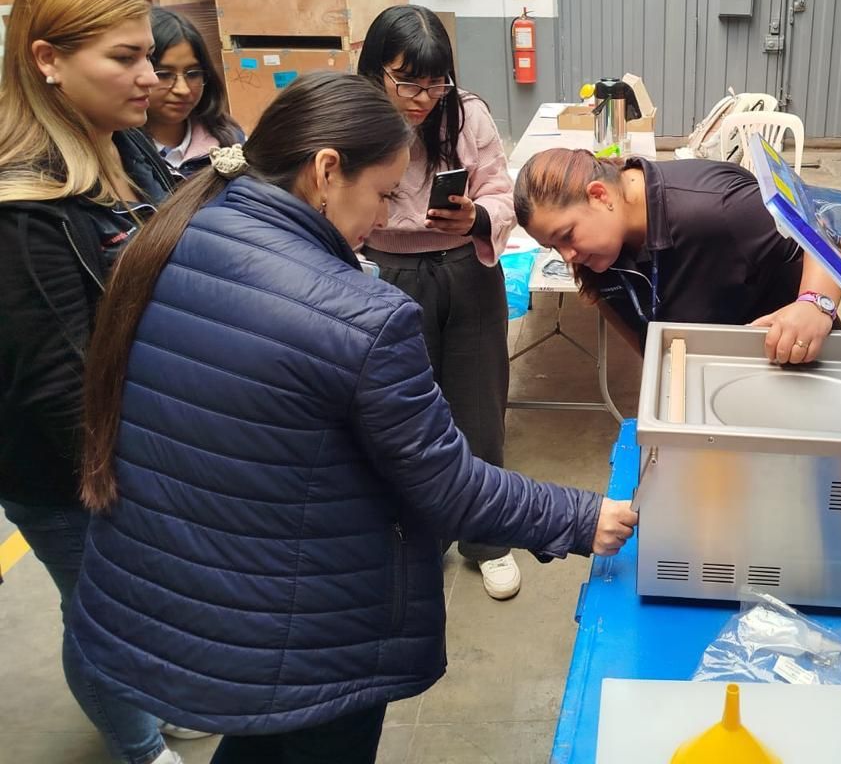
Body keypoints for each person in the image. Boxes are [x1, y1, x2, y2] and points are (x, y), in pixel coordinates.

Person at [63, 72, 637, 764]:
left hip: (190, 592)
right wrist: (581, 518)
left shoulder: (181, 233)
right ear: (328, 171)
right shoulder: (359, 316)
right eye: (384, 194)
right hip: (302, 628)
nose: (385, 215)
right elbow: (447, 485)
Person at [0, 0, 179, 763]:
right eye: (127, 58)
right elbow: (58, 386)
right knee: (104, 611)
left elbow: (181, 218)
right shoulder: (24, 210)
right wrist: (131, 498)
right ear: (47, 59)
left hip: (139, 436)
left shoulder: (124, 140)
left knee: (151, 605)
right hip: (73, 469)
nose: (152, 78)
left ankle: (155, 701)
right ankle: (138, 745)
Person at [355, 5, 523, 600]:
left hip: (465, 267)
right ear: (376, 70)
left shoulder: (466, 112)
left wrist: (477, 215)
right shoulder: (351, 116)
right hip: (384, 273)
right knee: (400, 414)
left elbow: (502, 190)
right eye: (408, 83)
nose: (423, 98)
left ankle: (486, 538)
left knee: (480, 406)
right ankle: (416, 535)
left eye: (435, 84)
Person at [514, 149, 841, 363]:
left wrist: (816, 304)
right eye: (554, 247)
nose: (567, 256)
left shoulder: (717, 208)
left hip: (799, 362)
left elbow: (832, 224)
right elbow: (610, 300)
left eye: (567, 236)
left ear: (599, 196)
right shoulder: (601, 252)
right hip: (711, 377)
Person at [143, 7, 243, 178]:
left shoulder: (230, 142)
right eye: (164, 75)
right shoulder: (119, 153)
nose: (183, 89)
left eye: (193, 73)